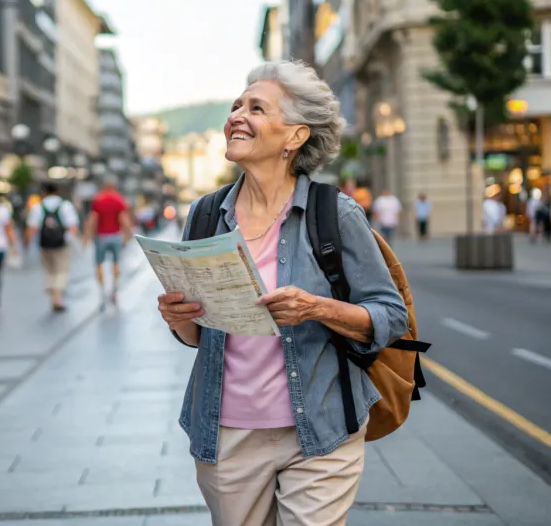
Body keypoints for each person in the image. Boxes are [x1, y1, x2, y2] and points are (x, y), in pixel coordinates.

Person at [157, 60, 408, 526]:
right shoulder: (206, 215)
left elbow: (390, 316)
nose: (236, 115)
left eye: (256, 107)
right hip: (226, 432)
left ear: (295, 136)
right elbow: (197, 336)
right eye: (236, 105)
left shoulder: (336, 214)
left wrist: (316, 307)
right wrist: (179, 317)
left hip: (321, 426)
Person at [25, 183, 80, 312]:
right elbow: (73, 227)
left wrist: (26, 244)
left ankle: (53, 295)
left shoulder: (38, 207)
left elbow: (31, 228)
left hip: (44, 244)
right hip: (61, 244)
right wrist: (67, 240)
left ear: (44, 193)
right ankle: (57, 296)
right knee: (61, 270)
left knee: (49, 270)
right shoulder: (65, 205)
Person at [84, 176, 131, 305]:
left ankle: (102, 289)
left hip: (101, 237)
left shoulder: (97, 199)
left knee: (99, 263)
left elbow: (93, 219)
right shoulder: (119, 199)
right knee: (116, 263)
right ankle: (114, 290)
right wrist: (128, 234)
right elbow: (123, 219)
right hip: (115, 236)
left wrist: (87, 235)